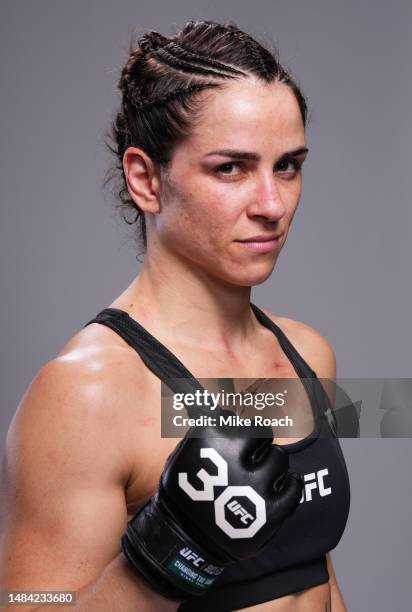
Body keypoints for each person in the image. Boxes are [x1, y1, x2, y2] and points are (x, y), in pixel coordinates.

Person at [0, 19, 350, 611]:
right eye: (230, 168)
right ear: (146, 179)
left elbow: (313, 580)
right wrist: (169, 555)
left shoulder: (307, 353)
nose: (272, 204)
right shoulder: (87, 395)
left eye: (287, 165)